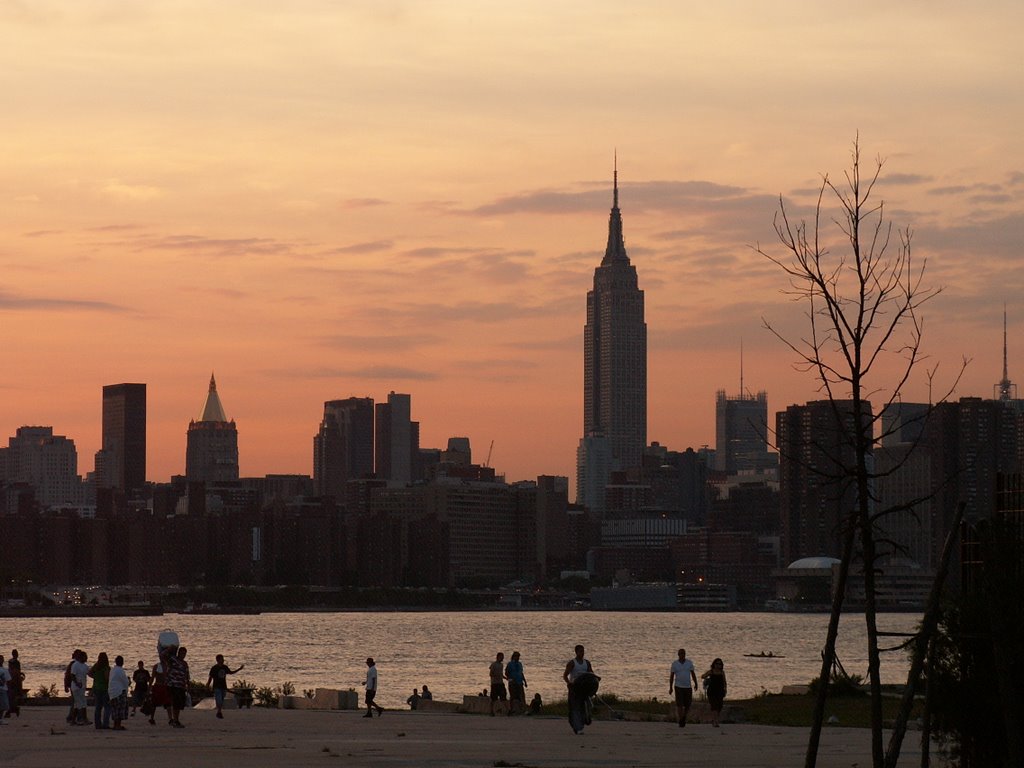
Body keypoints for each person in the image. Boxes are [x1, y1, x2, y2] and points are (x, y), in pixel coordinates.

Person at [563, 644, 597, 735]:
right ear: (576, 652)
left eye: (583, 651)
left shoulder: (587, 663)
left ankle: (585, 719)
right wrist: (568, 683)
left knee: (585, 707)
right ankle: (577, 727)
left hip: (584, 689)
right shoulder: (572, 663)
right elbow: (565, 675)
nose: (582, 653)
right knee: (575, 708)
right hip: (574, 688)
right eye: (580, 651)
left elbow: (591, 673)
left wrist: (596, 678)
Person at [207, 654, 245, 719]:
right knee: (218, 699)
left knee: (221, 700)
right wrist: (208, 684)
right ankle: (219, 712)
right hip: (216, 686)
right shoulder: (214, 668)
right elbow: (211, 677)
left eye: (223, 659)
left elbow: (230, 672)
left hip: (223, 686)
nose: (223, 660)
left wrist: (239, 669)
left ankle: (219, 712)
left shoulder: (224, 667)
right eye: (221, 659)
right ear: (217, 660)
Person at [161, 645, 189, 728]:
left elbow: (186, 674)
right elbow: (163, 655)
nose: (183, 655)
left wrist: (187, 683)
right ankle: (175, 720)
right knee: (175, 703)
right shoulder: (173, 659)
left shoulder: (184, 663)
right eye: (182, 653)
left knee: (179, 704)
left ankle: (176, 719)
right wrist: (170, 648)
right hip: (173, 684)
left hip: (181, 685)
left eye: (184, 654)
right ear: (178, 653)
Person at [669, 648, 698, 728]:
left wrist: (696, 683)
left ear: (685, 654)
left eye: (683, 653)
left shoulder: (689, 663)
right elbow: (672, 676)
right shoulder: (675, 664)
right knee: (680, 705)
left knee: (688, 705)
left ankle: (684, 717)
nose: (682, 655)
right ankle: (681, 720)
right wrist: (670, 687)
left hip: (688, 686)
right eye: (680, 654)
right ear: (678, 655)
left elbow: (693, 674)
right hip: (678, 686)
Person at [701, 658, 727, 727]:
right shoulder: (711, 672)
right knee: (714, 706)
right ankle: (715, 721)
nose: (718, 665)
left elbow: (724, 682)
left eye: (720, 664)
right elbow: (703, 676)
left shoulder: (722, 672)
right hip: (712, 691)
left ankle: (715, 719)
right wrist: (706, 679)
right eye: (717, 664)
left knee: (719, 706)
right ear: (714, 664)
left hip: (720, 691)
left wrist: (725, 689)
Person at [89, 651, 112, 729]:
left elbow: (89, 673)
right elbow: (107, 678)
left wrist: (96, 677)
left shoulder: (96, 666)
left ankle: (98, 724)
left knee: (98, 707)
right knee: (107, 707)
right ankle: (105, 724)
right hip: (104, 688)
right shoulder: (106, 667)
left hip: (96, 688)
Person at [108, 656, 130, 731]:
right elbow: (125, 682)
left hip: (112, 692)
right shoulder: (120, 670)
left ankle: (115, 725)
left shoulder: (113, 670)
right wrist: (128, 682)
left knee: (115, 709)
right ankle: (118, 725)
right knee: (120, 709)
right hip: (119, 692)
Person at [70, 650, 90, 725]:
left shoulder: (85, 666)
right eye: (85, 657)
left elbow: (89, 673)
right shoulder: (75, 665)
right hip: (76, 688)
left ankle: (73, 720)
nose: (86, 659)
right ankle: (84, 719)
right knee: (82, 703)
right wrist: (77, 683)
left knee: (77, 704)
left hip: (82, 688)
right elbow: (72, 675)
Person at [505, 651, 527, 715]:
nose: (518, 658)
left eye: (518, 656)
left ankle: (523, 710)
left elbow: (521, 673)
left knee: (522, 696)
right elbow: (506, 673)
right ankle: (511, 710)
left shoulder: (520, 664)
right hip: (512, 683)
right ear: (513, 657)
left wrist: (525, 681)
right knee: (512, 697)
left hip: (520, 682)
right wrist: (510, 679)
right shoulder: (510, 664)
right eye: (516, 656)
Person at [488, 652, 507, 716]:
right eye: (502, 657)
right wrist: (497, 676)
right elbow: (491, 674)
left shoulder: (501, 665)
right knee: (493, 698)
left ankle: (505, 710)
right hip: (495, 683)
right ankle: (491, 711)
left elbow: (501, 674)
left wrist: (506, 678)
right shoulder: (493, 664)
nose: (503, 658)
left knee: (503, 696)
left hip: (500, 683)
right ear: (498, 657)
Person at [6, 649, 23, 718]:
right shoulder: (16, 662)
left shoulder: (10, 662)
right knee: (12, 697)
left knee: (11, 697)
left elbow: (11, 670)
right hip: (14, 681)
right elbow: (18, 671)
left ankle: (11, 711)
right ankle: (13, 710)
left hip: (12, 681)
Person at [0, 655, 10, 722]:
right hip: (3, 689)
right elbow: (8, 680)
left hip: (3, 688)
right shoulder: (4, 670)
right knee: (3, 705)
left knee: (3, 705)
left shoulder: (4, 670)